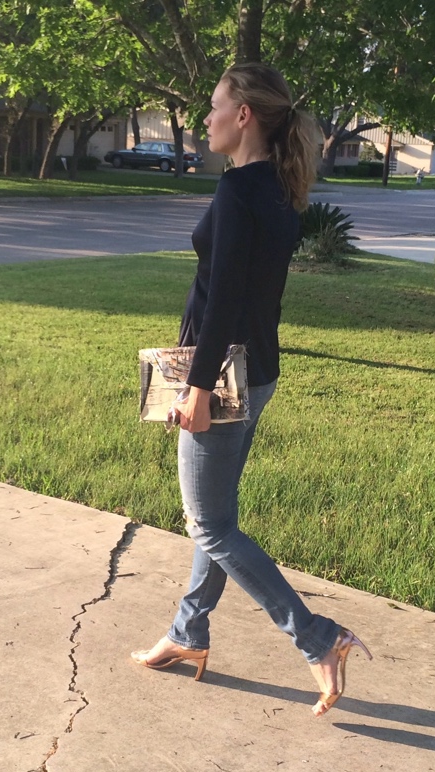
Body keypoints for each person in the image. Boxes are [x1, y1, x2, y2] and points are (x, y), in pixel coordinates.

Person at [131, 63, 372, 717]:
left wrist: (198, 389)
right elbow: (251, 297)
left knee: (208, 523)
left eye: (213, 106)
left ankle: (319, 638)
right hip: (258, 371)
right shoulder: (279, 189)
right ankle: (187, 634)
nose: (204, 118)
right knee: (219, 520)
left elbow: (226, 302)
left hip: (223, 378)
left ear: (243, 116)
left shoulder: (241, 191)